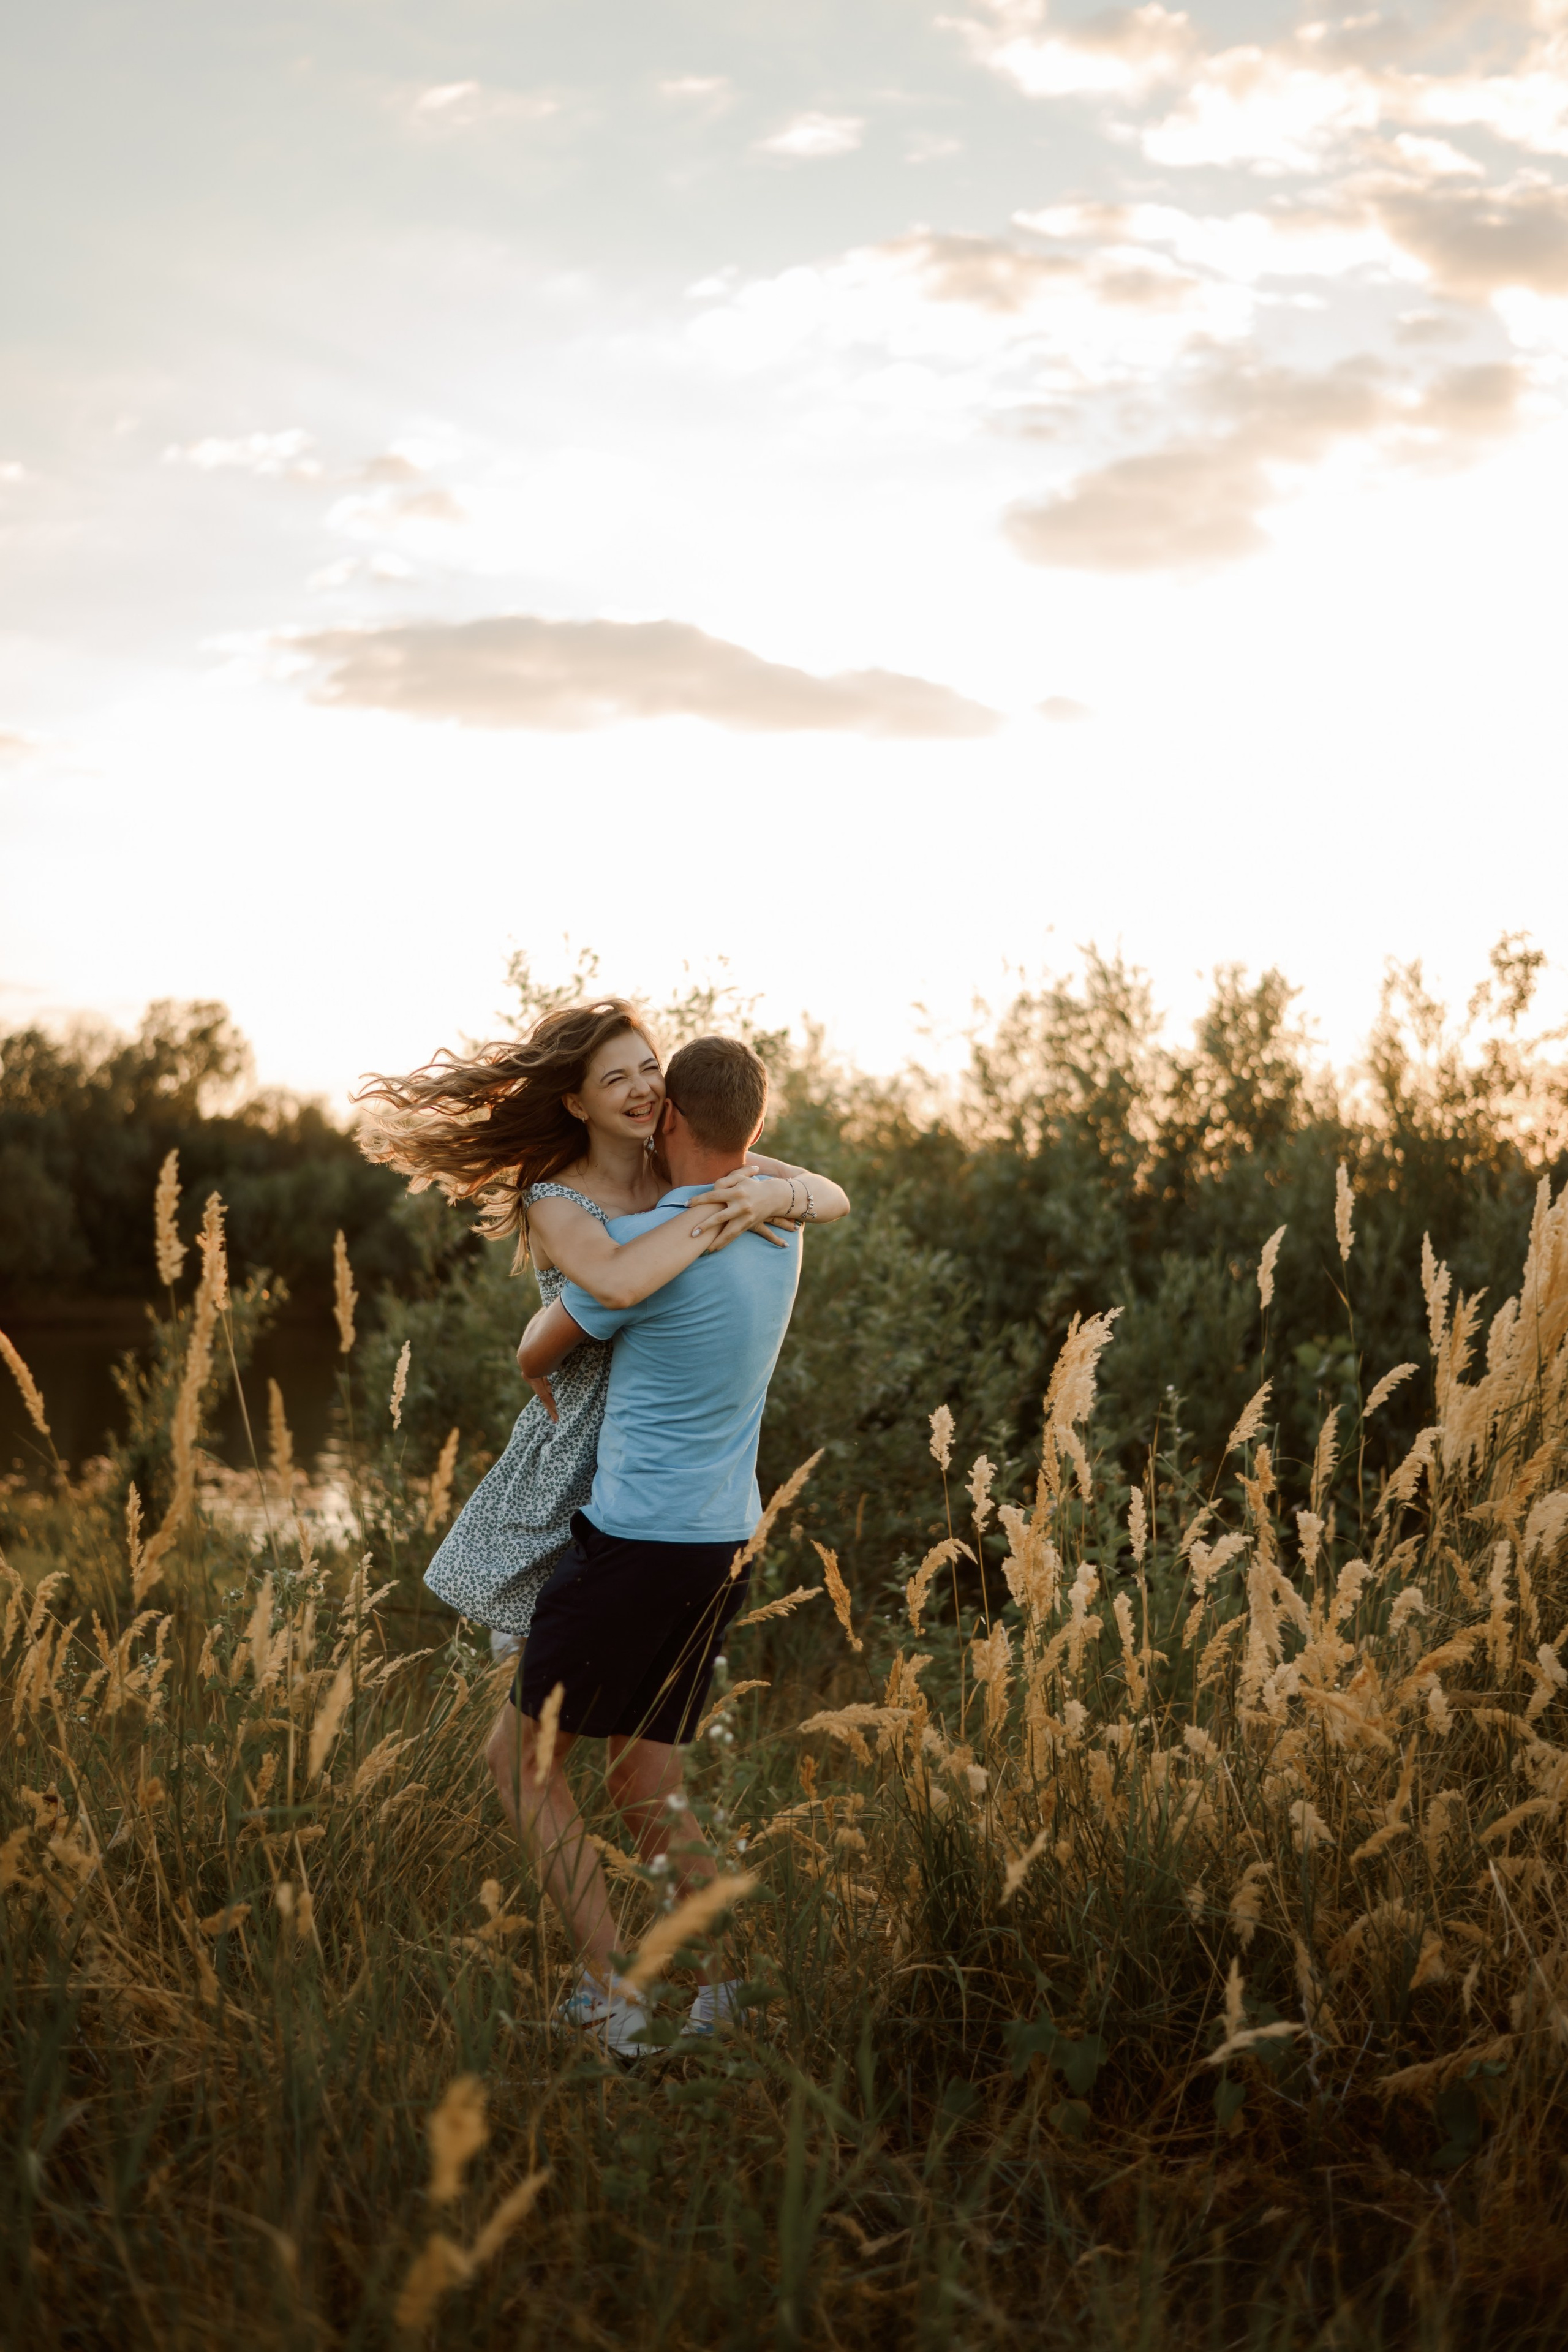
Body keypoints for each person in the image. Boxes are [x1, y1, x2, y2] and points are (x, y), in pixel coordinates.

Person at [486, 1033, 812, 2057]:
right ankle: (717, 1995)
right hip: (722, 1542)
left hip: (634, 1545)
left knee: (523, 1771)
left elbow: (546, 1342)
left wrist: (537, 1350)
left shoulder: (664, 1243)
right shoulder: (774, 1222)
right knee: (645, 1780)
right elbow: (811, 1190)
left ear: (670, 1119)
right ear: (754, 1135)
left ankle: (611, 1996)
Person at [355, 1000, 848, 1649]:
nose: (642, 1088)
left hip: (658, 1438)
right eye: (615, 1079)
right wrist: (716, 1215)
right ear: (578, 1104)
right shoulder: (556, 1199)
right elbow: (616, 1283)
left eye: (649, 1068)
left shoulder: (676, 1159)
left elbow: (832, 1195)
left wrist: (780, 1194)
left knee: (642, 1672)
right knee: (535, 1658)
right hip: (580, 1430)